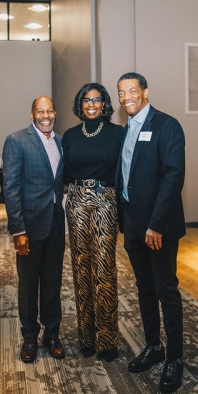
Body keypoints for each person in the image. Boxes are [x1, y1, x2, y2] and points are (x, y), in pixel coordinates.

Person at [115, 72, 186, 394]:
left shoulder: (167, 125)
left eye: (132, 90)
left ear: (145, 92)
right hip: (132, 223)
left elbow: (173, 176)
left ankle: (175, 358)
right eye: (121, 92)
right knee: (144, 288)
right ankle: (154, 346)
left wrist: (156, 224)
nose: (126, 97)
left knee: (166, 288)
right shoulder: (127, 129)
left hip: (158, 227)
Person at [62, 83, 125, 362]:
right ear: (80, 104)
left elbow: (124, 170)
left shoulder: (117, 133)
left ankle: (107, 341)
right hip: (76, 200)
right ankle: (87, 337)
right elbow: (65, 171)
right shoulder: (70, 135)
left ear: (104, 104)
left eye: (96, 100)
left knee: (104, 269)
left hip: (105, 200)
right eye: (86, 100)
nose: (91, 104)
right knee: (80, 268)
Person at [2, 96, 66, 363]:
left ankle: (52, 335)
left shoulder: (62, 142)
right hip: (29, 227)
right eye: (40, 111)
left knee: (52, 284)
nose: (45, 115)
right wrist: (18, 231)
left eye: (50, 111)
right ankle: (29, 337)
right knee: (28, 285)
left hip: (56, 225)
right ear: (32, 115)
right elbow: (11, 188)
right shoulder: (17, 141)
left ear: (55, 113)